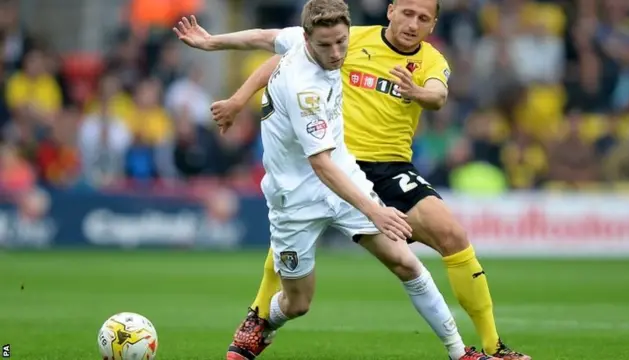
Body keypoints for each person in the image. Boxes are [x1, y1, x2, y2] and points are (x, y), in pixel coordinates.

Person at [174, 0, 531, 359]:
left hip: (381, 168)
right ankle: (260, 316)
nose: (412, 24)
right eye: (407, 13)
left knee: (431, 247)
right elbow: (280, 55)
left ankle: (483, 349)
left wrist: (418, 93)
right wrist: (238, 97)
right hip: (319, 172)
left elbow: (438, 95)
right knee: (298, 296)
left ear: (434, 24)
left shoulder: (421, 58)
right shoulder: (336, 50)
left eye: (423, 18)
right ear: (390, 11)